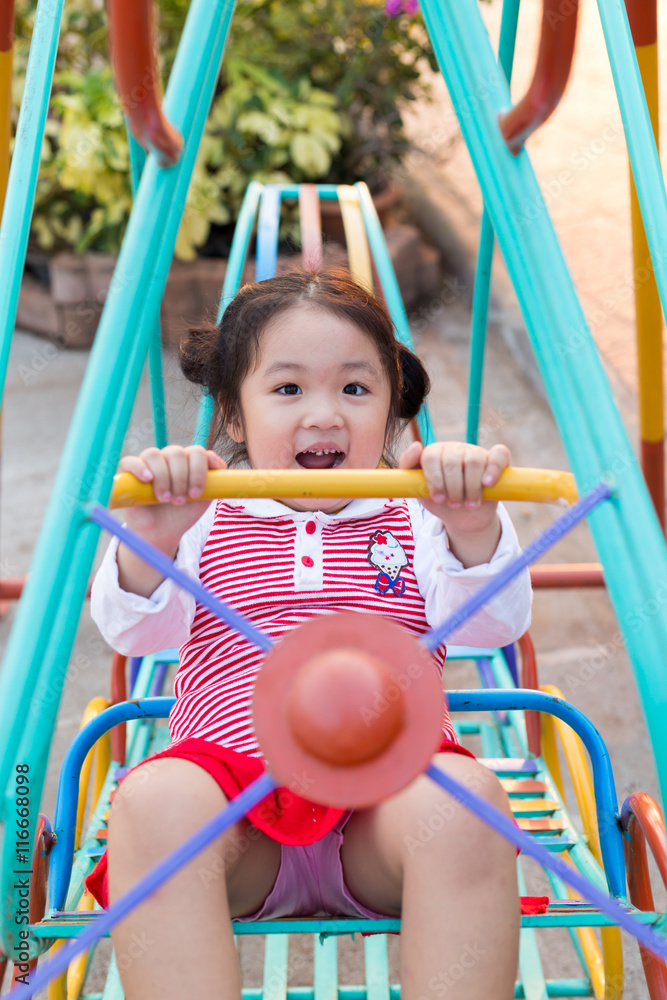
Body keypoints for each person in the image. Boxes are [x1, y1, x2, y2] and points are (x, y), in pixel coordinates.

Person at [88, 269, 532, 1000]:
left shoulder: (420, 519)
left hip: (388, 810)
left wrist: (472, 525)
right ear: (233, 413)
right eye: (288, 389)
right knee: (152, 799)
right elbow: (135, 632)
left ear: (392, 410)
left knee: (467, 798)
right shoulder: (203, 517)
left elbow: (494, 624)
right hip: (235, 819)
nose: (325, 414)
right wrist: (152, 540)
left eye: (356, 390)